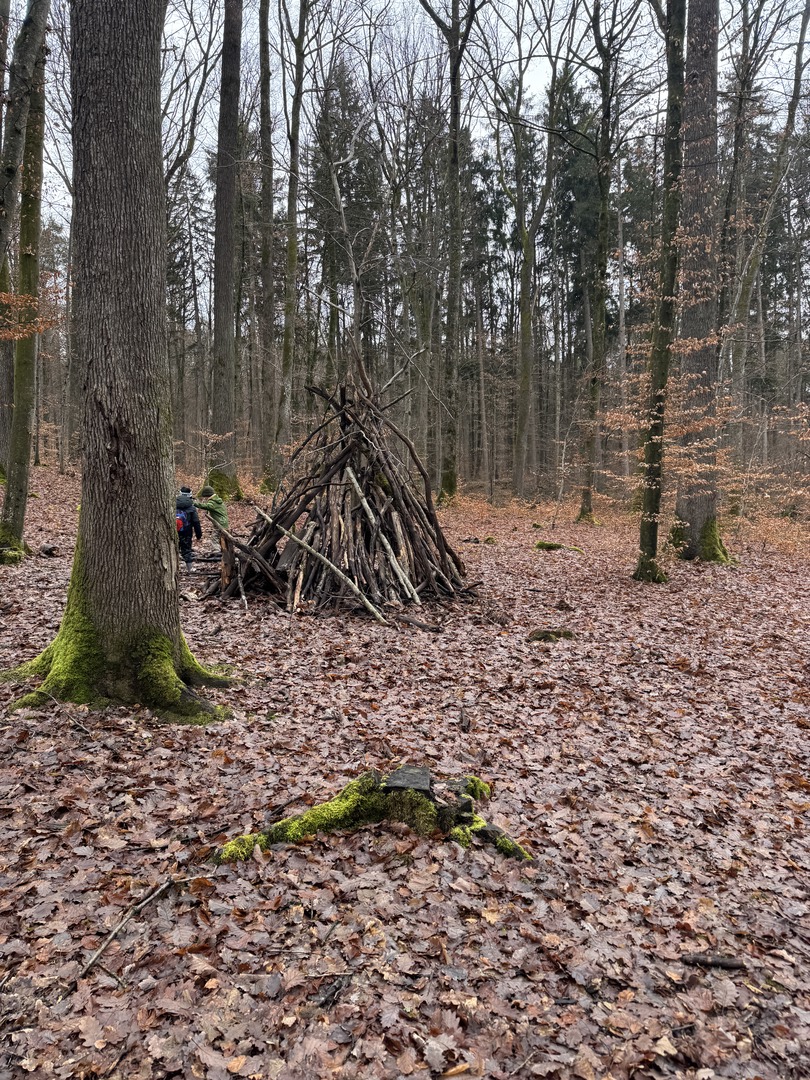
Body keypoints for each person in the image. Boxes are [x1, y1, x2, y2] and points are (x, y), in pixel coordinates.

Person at [176, 485, 202, 570]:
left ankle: (175, 568)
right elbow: (196, 522)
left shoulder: (172, 504)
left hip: (174, 531)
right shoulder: (191, 507)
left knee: (173, 548)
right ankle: (190, 568)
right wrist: (199, 535)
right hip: (186, 532)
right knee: (186, 549)